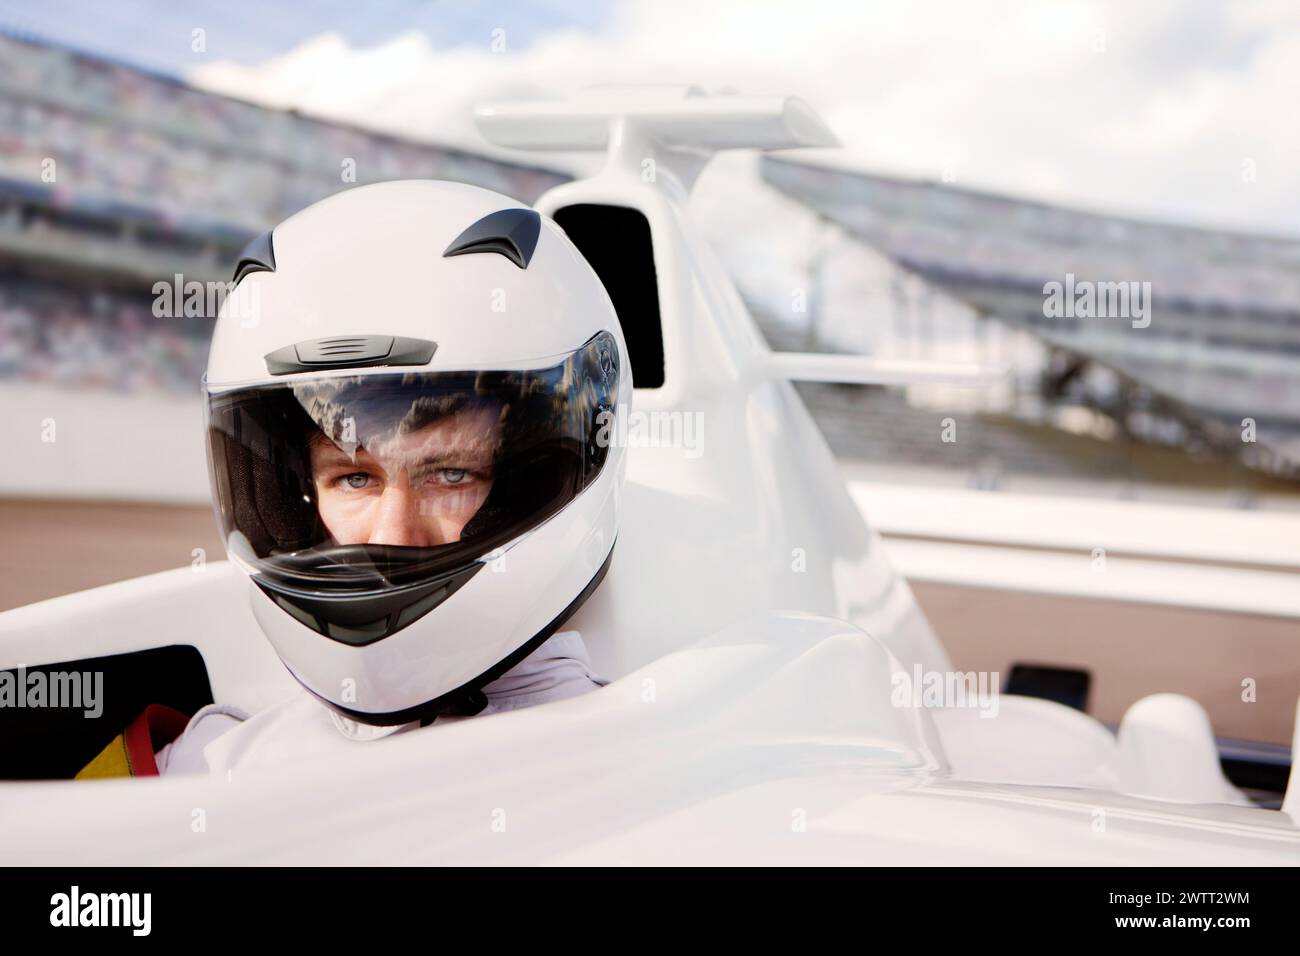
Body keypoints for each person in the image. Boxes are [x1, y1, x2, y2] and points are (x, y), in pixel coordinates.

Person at [75, 179, 632, 778]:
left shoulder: (650, 768)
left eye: (449, 473)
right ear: (292, 494)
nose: (391, 534)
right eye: (355, 479)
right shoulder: (211, 761)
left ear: (537, 480)